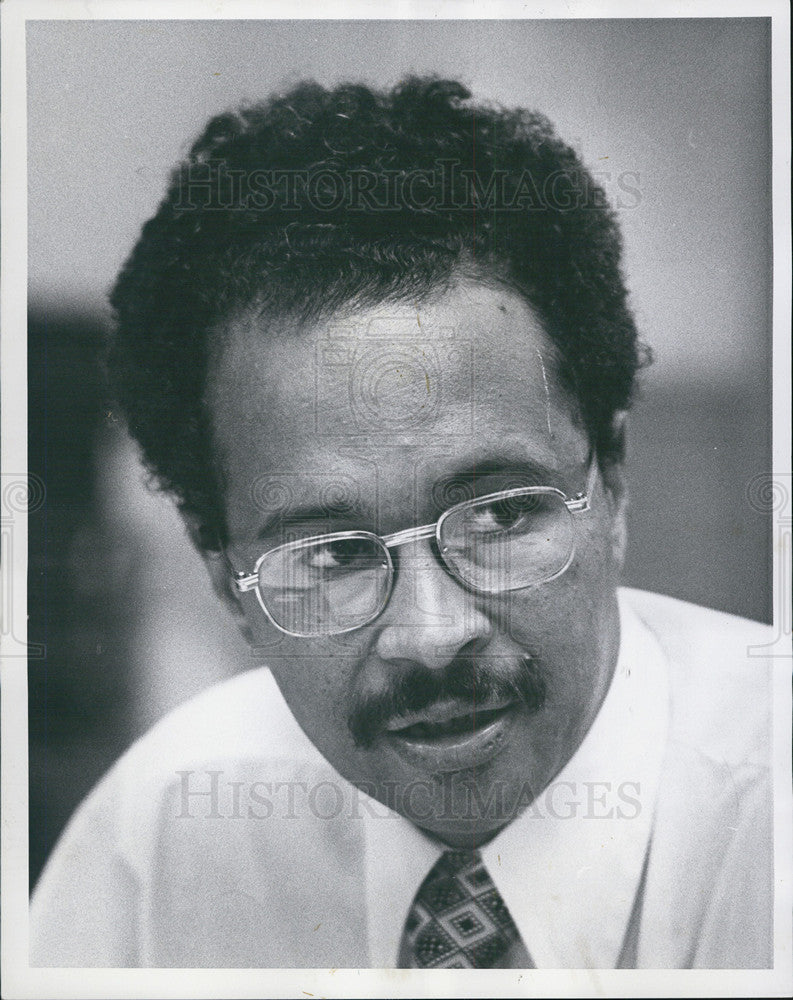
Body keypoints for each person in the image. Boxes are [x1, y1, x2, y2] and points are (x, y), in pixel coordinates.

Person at [30, 77, 772, 969]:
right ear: (226, 578)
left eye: (498, 514)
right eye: (333, 553)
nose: (431, 635)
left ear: (610, 482)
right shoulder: (159, 833)